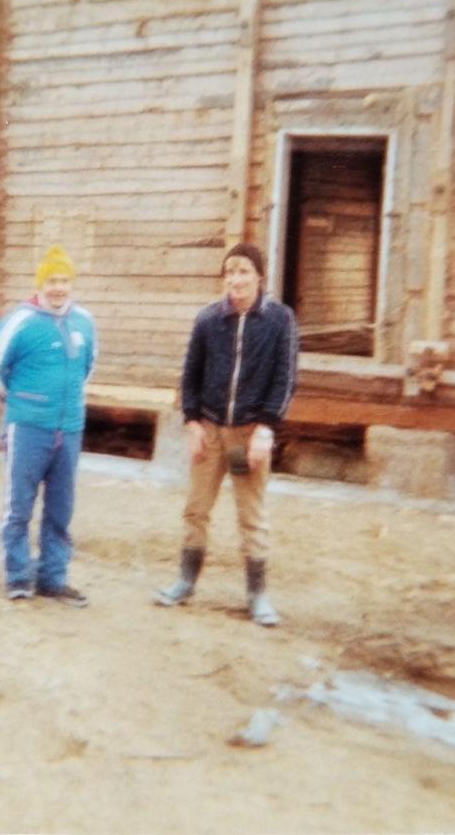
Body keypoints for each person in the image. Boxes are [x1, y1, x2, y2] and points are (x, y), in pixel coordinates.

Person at [155, 242, 297, 625]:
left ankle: (257, 593)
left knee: (251, 514)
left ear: (260, 276)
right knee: (197, 508)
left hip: (247, 437)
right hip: (210, 432)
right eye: (229, 272)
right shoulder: (208, 319)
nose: (235, 279)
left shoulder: (280, 320)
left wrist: (266, 428)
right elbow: (190, 374)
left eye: (244, 271)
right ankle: (186, 581)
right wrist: (192, 422)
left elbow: (284, 378)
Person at [0, 245, 97, 607]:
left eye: (64, 281)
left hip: (69, 428)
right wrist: (19, 402)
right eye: (51, 281)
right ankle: (17, 577)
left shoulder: (84, 322)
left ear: (71, 284)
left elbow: (87, 367)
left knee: (61, 509)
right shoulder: (20, 321)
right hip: (28, 429)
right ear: (40, 284)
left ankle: (53, 579)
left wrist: (65, 401)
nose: (58, 288)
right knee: (19, 507)